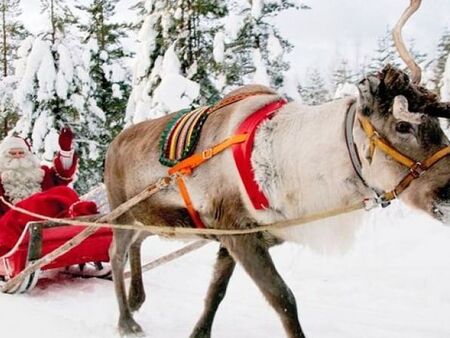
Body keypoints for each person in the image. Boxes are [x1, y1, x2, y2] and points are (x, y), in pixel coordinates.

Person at [0, 127, 97, 256]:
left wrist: (65, 151)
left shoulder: (42, 174)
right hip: (17, 229)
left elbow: (63, 176)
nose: (18, 157)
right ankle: (77, 211)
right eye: (12, 154)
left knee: (63, 191)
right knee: (55, 194)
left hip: (49, 223)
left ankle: (76, 213)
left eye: (21, 153)